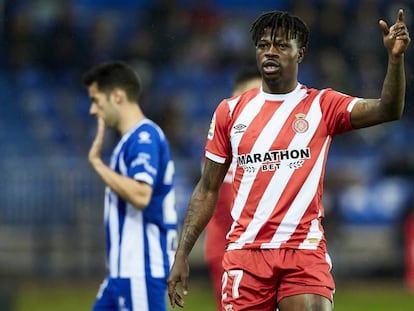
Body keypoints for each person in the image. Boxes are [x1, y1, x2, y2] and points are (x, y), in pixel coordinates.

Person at [167, 9, 410, 311]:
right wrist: (182, 254)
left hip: (303, 251)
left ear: (300, 53)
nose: (271, 51)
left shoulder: (323, 104)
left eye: (282, 45)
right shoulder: (229, 112)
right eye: (264, 44)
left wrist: (395, 60)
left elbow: (388, 109)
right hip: (246, 252)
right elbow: (207, 189)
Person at [82, 60, 178, 311]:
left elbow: (141, 194)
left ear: (117, 96)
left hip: (141, 269)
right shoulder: (129, 141)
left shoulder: (143, 138)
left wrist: (98, 165)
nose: (93, 110)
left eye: (96, 100)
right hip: (122, 271)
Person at [203, 67, 262, 310]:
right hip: (230, 248)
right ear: (235, 98)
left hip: (261, 247)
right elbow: (233, 204)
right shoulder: (225, 144)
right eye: (249, 94)